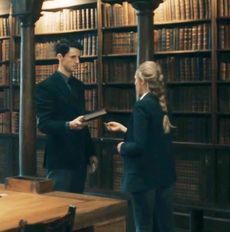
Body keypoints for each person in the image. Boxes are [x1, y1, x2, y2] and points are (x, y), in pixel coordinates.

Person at [105, 61, 176, 232]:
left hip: (143, 178)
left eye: (135, 79)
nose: (134, 83)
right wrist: (125, 129)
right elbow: (153, 137)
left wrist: (121, 147)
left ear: (142, 81)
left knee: (143, 226)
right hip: (163, 176)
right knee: (161, 226)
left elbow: (138, 146)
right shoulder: (160, 103)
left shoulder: (141, 105)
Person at [36, 39, 97, 193]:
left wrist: (90, 152)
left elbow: (82, 120)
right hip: (60, 158)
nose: (78, 61)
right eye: (73, 57)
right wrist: (68, 125)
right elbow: (44, 124)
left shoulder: (78, 86)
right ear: (60, 57)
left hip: (79, 157)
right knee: (58, 206)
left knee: (76, 205)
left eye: (79, 57)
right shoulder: (46, 87)